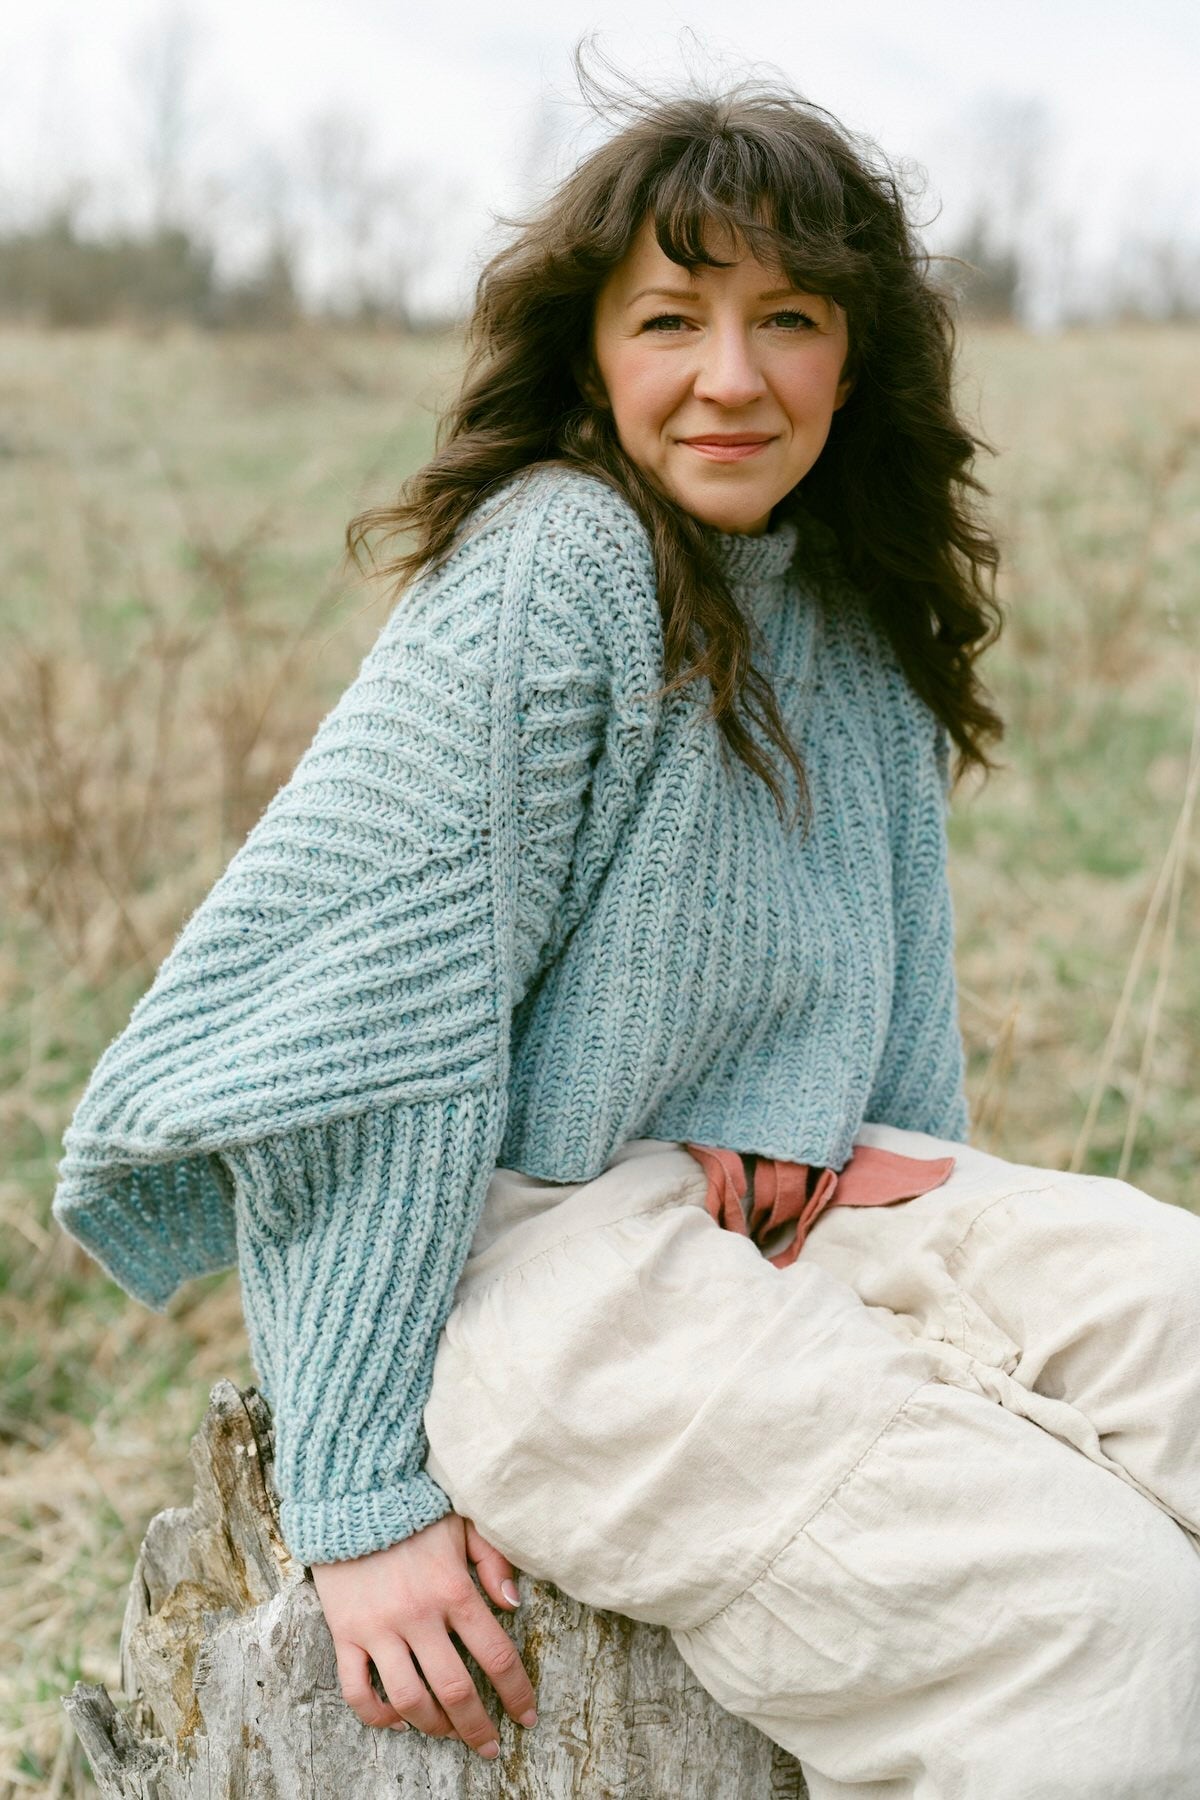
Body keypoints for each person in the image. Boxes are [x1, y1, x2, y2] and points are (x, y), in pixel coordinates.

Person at [52, 62, 1200, 1799]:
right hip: (528, 1274)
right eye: (671, 319)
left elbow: (889, 974)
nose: (732, 377)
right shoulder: (558, 565)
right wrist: (353, 1491)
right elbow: (358, 1024)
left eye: (788, 319)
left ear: (853, 359)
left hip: (797, 1217)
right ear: (592, 356)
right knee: (1109, 1626)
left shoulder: (849, 594)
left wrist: (867, 1144)